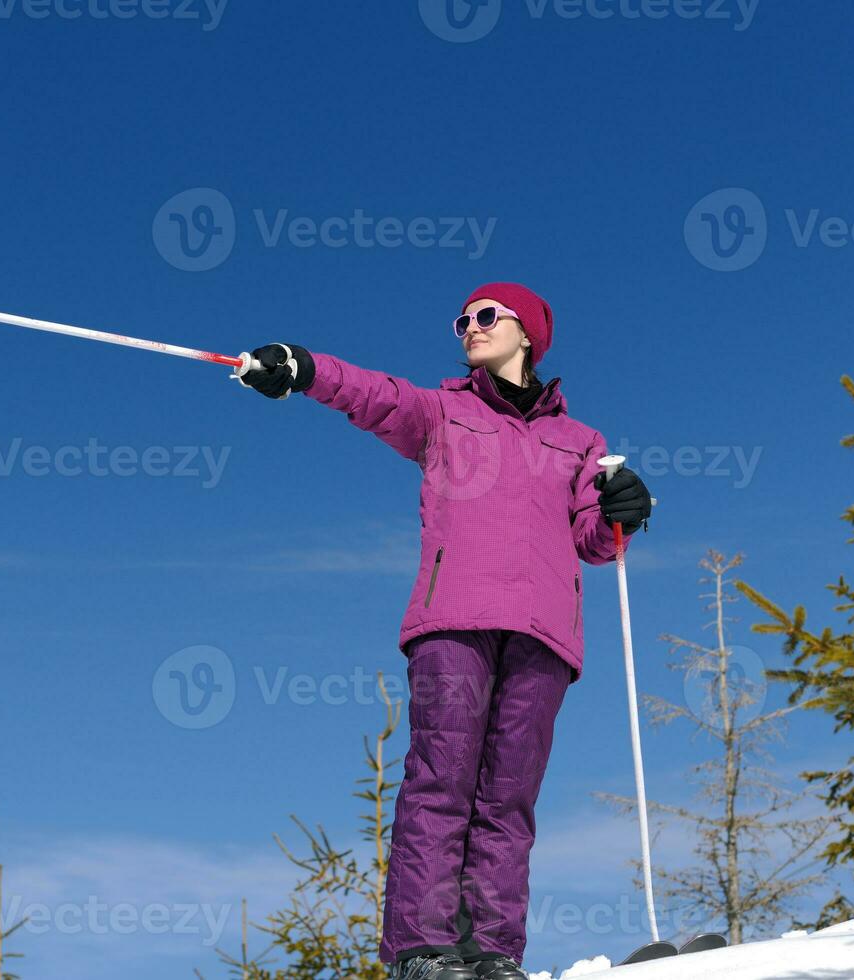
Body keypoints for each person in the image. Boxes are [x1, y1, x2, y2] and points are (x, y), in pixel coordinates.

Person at [239, 283, 654, 980]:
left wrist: (624, 510)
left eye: (486, 316)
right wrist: (303, 368)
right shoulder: (440, 413)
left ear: (529, 335)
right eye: (462, 319)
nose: (469, 327)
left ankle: (492, 954)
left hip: (544, 633)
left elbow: (595, 540)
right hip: (454, 617)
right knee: (442, 780)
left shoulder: (581, 442)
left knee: (509, 797)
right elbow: (371, 394)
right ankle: (423, 951)